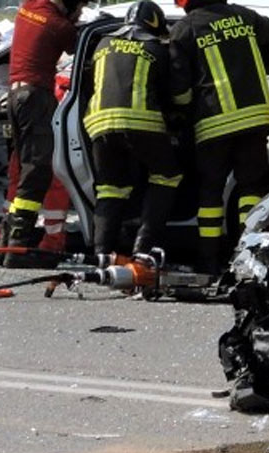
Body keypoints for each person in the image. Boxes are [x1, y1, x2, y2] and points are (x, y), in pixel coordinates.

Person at [169, 0, 269, 273]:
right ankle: (247, 255)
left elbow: (179, 87)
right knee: (251, 188)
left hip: (214, 123)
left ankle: (209, 262)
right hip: (255, 119)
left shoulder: (184, 29)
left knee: (211, 192)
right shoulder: (243, 16)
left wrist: (179, 113)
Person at [84, 1, 185, 263]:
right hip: (143, 122)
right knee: (167, 175)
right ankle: (144, 247)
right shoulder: (156, 47)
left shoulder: (102, 44)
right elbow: (175, 95)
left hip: (99, 124)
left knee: (110, 188)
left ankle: (102, 254)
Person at [0, 0, 86, 266]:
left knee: (24, 168)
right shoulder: (59, 26)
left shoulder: (30, 6)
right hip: (36, 96)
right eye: (79, 6)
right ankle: (17, 248)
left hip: (15, 95)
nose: (80, 11)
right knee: (37, 171)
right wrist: (78, 25)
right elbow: (78, 48)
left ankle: (5, 247)